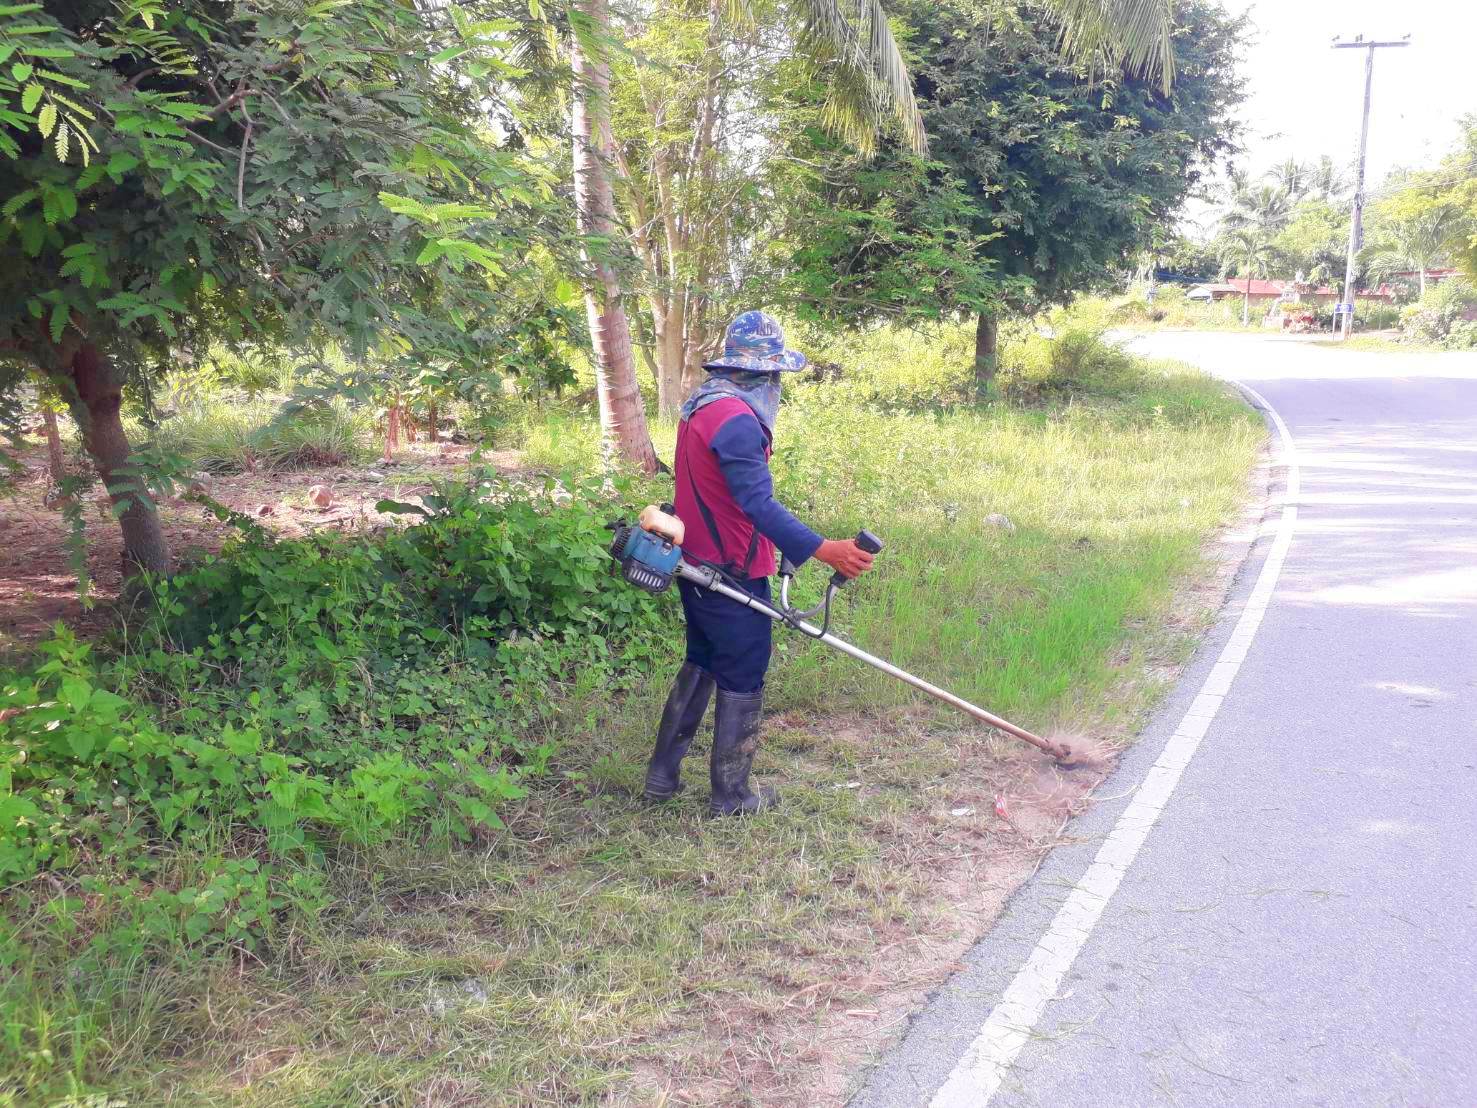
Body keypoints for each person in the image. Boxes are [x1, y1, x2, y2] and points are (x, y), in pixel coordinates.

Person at [642, 310, 875, 816]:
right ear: (764, 374)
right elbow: (756, 503)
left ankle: (662, 776)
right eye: (775, 377)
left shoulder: (699, 407)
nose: (776, 388)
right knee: (744, 674)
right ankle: (731, 796)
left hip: (694, 562)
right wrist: (821, 547)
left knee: (702, 662)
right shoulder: (738, 420)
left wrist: (789, 545)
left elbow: (730, 498)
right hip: (729, 571)